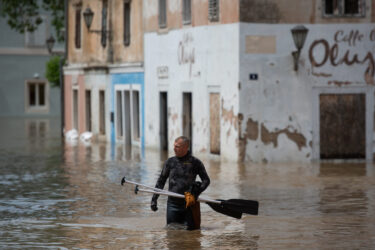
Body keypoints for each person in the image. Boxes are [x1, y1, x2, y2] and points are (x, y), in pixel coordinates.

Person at [151, 136, 210, 230]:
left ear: (185, 148)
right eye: (174, 146)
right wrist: (154, 199)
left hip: (189, 203)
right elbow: (161, 181)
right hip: (172, 204)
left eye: (177, 146)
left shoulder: (195, 162)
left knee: (191, 235)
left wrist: (197, 192)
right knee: (171, 232)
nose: (174, 149)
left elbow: (206, 180)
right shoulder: (170, 162)